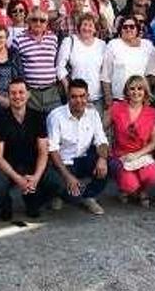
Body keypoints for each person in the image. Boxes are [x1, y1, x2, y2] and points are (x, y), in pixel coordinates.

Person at [0, 79, 63, 220]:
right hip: (9, 165)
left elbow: (43, 152)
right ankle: (6, 206)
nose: (17, 96)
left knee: (57, 184)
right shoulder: (0, 119)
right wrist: (18, 179)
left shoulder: (37, 117)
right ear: (8, 95)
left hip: (32, 164)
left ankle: (32, 201)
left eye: (21, 92)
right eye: (13, 93)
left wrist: (35, 177)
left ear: (28, 94)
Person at [47, 79, 110, 215]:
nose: (79, 100)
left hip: (83, 159)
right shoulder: (56, 116)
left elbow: (101, 140)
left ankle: (88, 197)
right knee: (68, 193)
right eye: (74, 96)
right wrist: (68, 176)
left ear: (87, 96)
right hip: (62, 163)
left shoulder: (93, 114)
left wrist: (103, 159)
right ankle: (59, 195)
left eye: (82, 96)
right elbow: (53, 150)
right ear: (68, 97)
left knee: (107, 163)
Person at [110, 76, 155, 207]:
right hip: (121, 155)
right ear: (126, 91)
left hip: (142, 154)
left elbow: (153, 143)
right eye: (132, 88)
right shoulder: (116, 108)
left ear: (145, 92)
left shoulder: (152, 113)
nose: (136, 92)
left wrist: (137, 155)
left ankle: (143, 191)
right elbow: (101, 129)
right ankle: (129, 188)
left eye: (140, 88)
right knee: (130, 186)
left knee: (152, 175)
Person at [101, 15, 155, 113]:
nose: (128, 29)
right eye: (125, 27)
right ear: (120, 30)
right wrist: (108, 100)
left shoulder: (147, 45)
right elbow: (106, 75)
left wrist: (149, 96)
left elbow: (151, 73)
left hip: (142, 99)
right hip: (119, 100)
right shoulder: (113, 45)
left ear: (137, 29)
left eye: (132, 27)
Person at [56, 13, 107, 115]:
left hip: (97, 98)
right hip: (76, 98)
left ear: (95, 29)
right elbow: (59, 67)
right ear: (79, 26)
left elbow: (105, 71)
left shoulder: (102, 45)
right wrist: (68, 89)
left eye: (90, 25)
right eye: (84, 24)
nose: (87, 28)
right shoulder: (70, 41)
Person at [14, 8, 61, 114]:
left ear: (47, 23)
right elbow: (15, 67)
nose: (38, 23)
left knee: (54, 125)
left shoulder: (53, 38)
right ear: (29, 21)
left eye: (42, 20)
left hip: (52, 91)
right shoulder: (18, 39)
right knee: (34, 128)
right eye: (35, 20)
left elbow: (55, 62)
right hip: (31, 93)